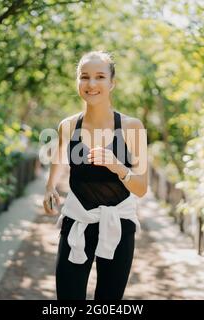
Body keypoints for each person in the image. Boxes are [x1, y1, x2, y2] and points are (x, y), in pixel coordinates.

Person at [43, 50, 148, 300]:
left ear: (112, 83)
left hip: (119, 225)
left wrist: (118, 166)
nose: (91, 84)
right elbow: (57, 159)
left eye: (100, 77)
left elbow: (141, 188)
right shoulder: (68, 126)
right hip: (77, 220)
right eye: (84, 77)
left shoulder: (132, 127)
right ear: (78, 81)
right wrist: (49, 188)